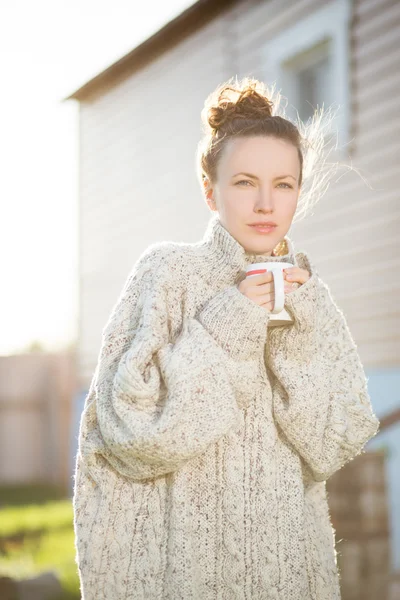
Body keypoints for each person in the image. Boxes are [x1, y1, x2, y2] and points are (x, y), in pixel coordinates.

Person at [72, 76, 380, 600]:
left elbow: (334, 443)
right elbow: (130, 433)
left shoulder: (309, 295)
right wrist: (230, 321)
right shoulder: (168, 273)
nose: (266, 202)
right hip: (182, 577)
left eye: (284, 184)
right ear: (210, 190)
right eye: (244, 182)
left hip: (289, 576)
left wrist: (298, 333)